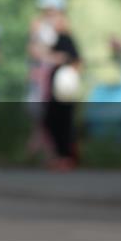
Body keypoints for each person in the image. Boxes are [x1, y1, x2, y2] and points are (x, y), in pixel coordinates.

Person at [26, 0, 66, 159]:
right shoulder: (37, 24)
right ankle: (44, 151)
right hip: (41, 76)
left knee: (55, 112)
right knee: (39, 112)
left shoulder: (64, 25)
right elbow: (33, 50)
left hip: (57, 76)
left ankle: (50, 151)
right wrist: (51, 57)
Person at [43, 10, 82, 171]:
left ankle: (66, 157)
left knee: (63, 122)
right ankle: (61, 156)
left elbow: (75, 60)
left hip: (64, 89)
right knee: (53, 121)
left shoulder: (65, 38)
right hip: (55, 89)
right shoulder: (55, 39)